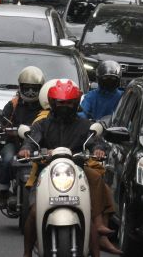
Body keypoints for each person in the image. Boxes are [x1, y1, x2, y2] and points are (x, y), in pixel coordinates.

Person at [18, 80, 122, 257]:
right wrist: (26, 149)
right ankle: (27, 252)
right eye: (60, 102)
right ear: (53, 103)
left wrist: (98, 150)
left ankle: (97, 241)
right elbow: (31, 139)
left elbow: (95, 142)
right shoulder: (42, 124)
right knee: (34, 212)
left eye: (69, 102)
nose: (64, 106)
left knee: (87, 210)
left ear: (75, 103)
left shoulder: (84, 125)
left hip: (77, 171)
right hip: (46, 171)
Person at [0, 66, 45, 209]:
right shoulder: (14, 103)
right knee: (6, 159)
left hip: (38, 144)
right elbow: (2, 117)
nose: (30, 92)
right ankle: (3, 191)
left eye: (34, 88)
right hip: (15, 142)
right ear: (20, 87)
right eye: (27, 88)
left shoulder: (45, 105)